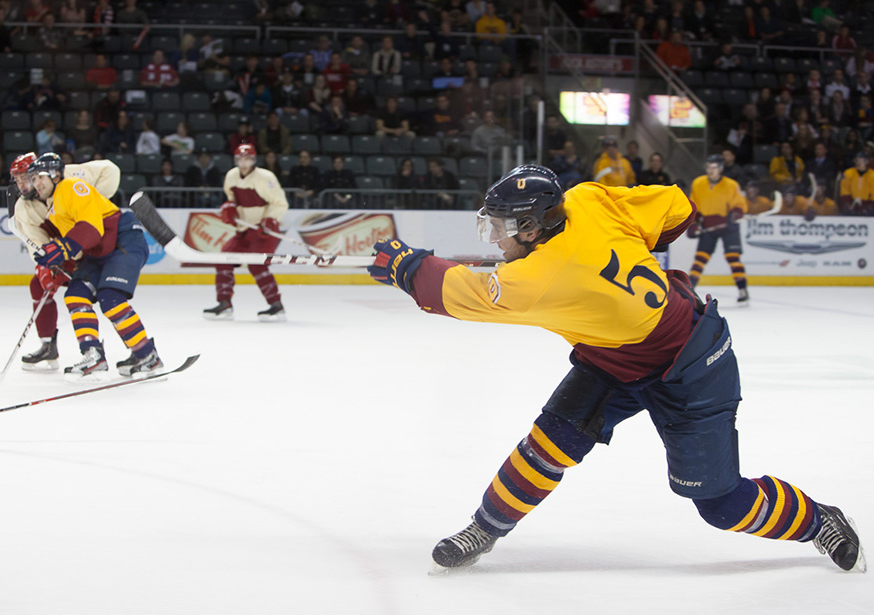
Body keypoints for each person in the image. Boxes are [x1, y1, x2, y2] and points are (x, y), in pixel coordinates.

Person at [365, 164, 866, 574]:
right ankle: (485, 528)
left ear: (534, 227)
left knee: (719, 502)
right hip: (612, 355)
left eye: (501, 227)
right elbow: (677, 208)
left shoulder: (534, 279)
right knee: (548, 445)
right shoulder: (586, 200)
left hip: (690, 365)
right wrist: (626, 244)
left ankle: (819, 519)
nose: (494, 238)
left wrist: (405, 267)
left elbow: (460, 293)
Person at [26, 153, 160, 377]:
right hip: (98, 252)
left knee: (110, 297)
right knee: (76, 295)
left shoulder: (71, 187)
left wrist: (63, 248)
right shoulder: (53, 208)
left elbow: (91, 228)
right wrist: (58, 263)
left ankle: (147, 355)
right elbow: (77, 243)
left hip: (122, 240)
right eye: (33, 178)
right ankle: (93, 355)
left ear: (56, 175)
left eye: (40, 176)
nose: (36, 183)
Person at [7, 152, 122, 371]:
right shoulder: (24, 207)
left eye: (25, 176)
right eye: (17, 178)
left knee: (108, 295)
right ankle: (48, 345)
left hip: (97, 240)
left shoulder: (68, 177)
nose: (21, 183)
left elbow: (110, 169)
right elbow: (37, 243)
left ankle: (137, 348)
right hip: (67, 252)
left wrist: (93, 205)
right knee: (38, 285)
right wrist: (45, 268)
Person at [203, 143, 289, 322]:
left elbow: (280, 203)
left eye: (247, 158)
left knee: (256, 264)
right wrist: (230, 208)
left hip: (264, 231)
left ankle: (276, 305)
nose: (244, 162)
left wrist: (269, 220)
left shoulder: (265, 177)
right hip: (243, 230)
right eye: (241, 159)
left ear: (253, 159)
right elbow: (232, 199)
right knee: (224, 259)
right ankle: (225, 303)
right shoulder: (231, 176)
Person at [686, 154, 750, 305]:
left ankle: (742, 289)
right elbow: (694, 206)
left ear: (721, 169)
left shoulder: (731, 185)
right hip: (708, 226)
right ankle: (689, 289)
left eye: (714, 167)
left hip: (729, 227)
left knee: (733, 257)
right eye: (708, 167)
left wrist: (735, 214)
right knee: (700, 259)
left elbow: (740, 205)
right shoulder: (698, 183)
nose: (710, 170)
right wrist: (693, 223)